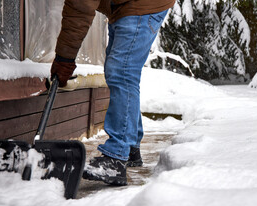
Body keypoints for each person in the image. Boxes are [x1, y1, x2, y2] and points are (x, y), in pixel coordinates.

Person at [50, 0, 175, 186]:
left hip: (142, 4)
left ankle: (116, 157)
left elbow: (79, 9)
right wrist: (64, 59)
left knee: (122, 72)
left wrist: (64, 58)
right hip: (124, 7)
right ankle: (130, 146)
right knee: (122, 72)